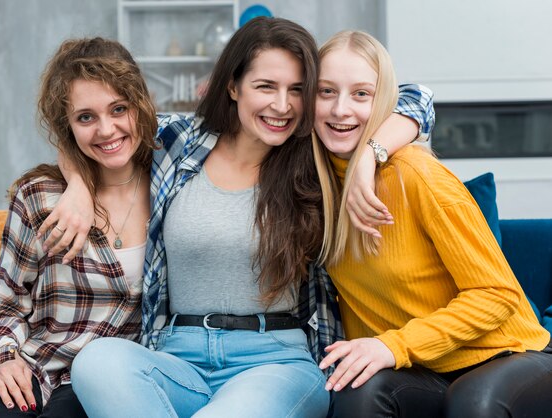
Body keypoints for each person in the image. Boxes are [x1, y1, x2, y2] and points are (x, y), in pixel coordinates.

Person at [39, 18, 433, 418]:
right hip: (179, 359)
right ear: (232, 86)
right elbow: (96, 132)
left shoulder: (318, 156)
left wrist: (369, 156)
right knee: (96, 362)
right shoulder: (178, 144)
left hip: (276, 363)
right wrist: (77, 186)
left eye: (297, 90)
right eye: (266, 86)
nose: (282, 105)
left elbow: (419, 99)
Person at [312, 30, 552, 418]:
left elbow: (497, 294)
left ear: (384, 102)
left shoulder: (415, 174)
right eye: (326, 92)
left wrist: (395, 345)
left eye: (361, 94)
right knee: (355, 393)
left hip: (509, 352)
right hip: (424, 367)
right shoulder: (311, 183)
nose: (341, 110)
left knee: (474, 404)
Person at [0, 37, 157, 417]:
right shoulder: (40, 197)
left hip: (114, 373)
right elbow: (6, 300)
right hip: (37, 362)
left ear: (139, 106)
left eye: (119, 109)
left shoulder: (172, 185)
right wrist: (7, 358)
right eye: (86, 117)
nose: (107, 129)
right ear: (68, 126)